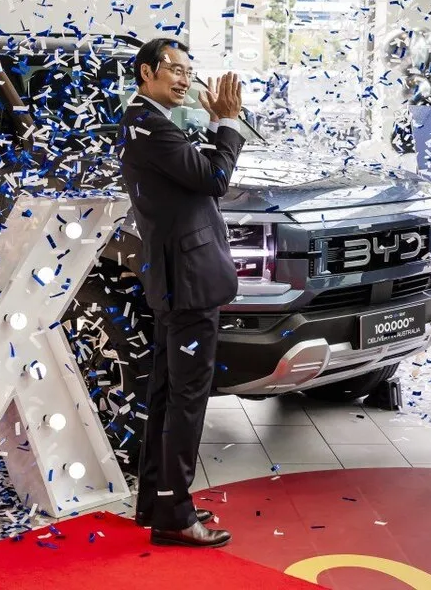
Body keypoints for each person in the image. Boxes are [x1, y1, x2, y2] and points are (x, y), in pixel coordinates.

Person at [118, 38, 245, 547]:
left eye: (189, 70)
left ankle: (156, 501)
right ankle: (175, 517)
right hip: (189, 282)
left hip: (177, 278)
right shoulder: (150, 126)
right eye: (175, 69)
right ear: (147, 73)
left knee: (168, 396)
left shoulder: (147, 123)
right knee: (186, 400)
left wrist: (214, 128)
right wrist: (227, 123)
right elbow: (214, 178)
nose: (185, 78)